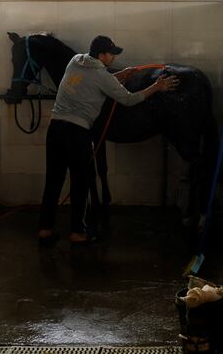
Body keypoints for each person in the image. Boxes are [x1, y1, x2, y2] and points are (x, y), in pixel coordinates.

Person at [38, 35, 179, 244]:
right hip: (77, 133)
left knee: (53, 180)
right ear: (101, 55)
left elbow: (94, 78)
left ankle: (45, 229)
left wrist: (120, 75)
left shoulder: (75, 60)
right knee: (81, 182)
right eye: (111, 54)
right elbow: (129, 100)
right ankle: (77, 232)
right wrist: (156, 87)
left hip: (56, 128)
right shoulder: (102, 76)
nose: (113, 58)